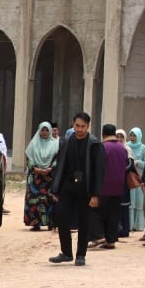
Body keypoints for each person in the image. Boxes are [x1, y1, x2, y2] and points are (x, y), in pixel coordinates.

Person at [47, 112, 106, 266]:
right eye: (77, 126)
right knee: (60, 215)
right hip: (68, 186)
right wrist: (56, 189)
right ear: (73, 125)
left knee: (84, 221)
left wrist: (95, 195)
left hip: (85, 188)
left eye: (82, 126)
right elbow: (60, 166)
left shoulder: (94, 144)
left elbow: (99, 172)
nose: (79, 129)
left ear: (88, 126)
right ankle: (66, 252)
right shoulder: (66, 142)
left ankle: (81, 255)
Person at [92, 124, 130, 249]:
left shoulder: (102, 147)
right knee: (113, 214)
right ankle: (111, 240)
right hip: (119, 186)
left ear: (103, 134)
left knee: (96, 212)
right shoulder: (122, 148)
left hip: (104, 186)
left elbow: (98, 168)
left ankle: (99, 236)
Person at [23, 121, 57, 231]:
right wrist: (35, 169)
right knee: (34, 200)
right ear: (39, 130)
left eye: (47, 130)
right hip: (35, 178)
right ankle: (35, 223)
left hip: (49, 177)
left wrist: (51, 168)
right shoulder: (33, 144)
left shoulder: (55, 144)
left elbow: (58, 158)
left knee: (49, 199)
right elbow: (29, 158)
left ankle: (51, 223)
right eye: (42, 130)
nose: (44, 132)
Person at [126, 127, 145, 234]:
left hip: (139, 177)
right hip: (130, 178)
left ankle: (138, 225)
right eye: (131, 135)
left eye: (134, 135)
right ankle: (129, 225)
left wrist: (138, 162)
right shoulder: (127, 146)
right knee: (131, 201)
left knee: (139, 201)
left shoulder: (144, 148)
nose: (132, 138)